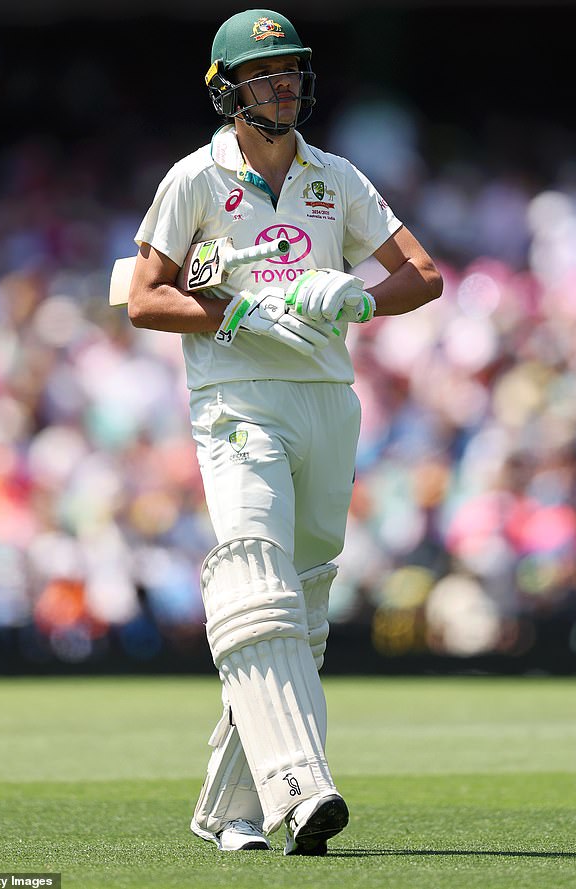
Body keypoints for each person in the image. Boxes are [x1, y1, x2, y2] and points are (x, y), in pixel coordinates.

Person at [127, 8, 442, 856]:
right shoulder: (194, 179)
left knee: (300, 611)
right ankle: (301, 787)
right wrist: (239, 314)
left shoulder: (335, 177)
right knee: (255, 582)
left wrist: (360, 296)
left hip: (328, 399)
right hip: (237, 400)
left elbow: (424, 272)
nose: (286, 86)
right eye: (267, 75)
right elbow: (144, 297)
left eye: (293, 71)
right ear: (228, 90)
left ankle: (227, 809)